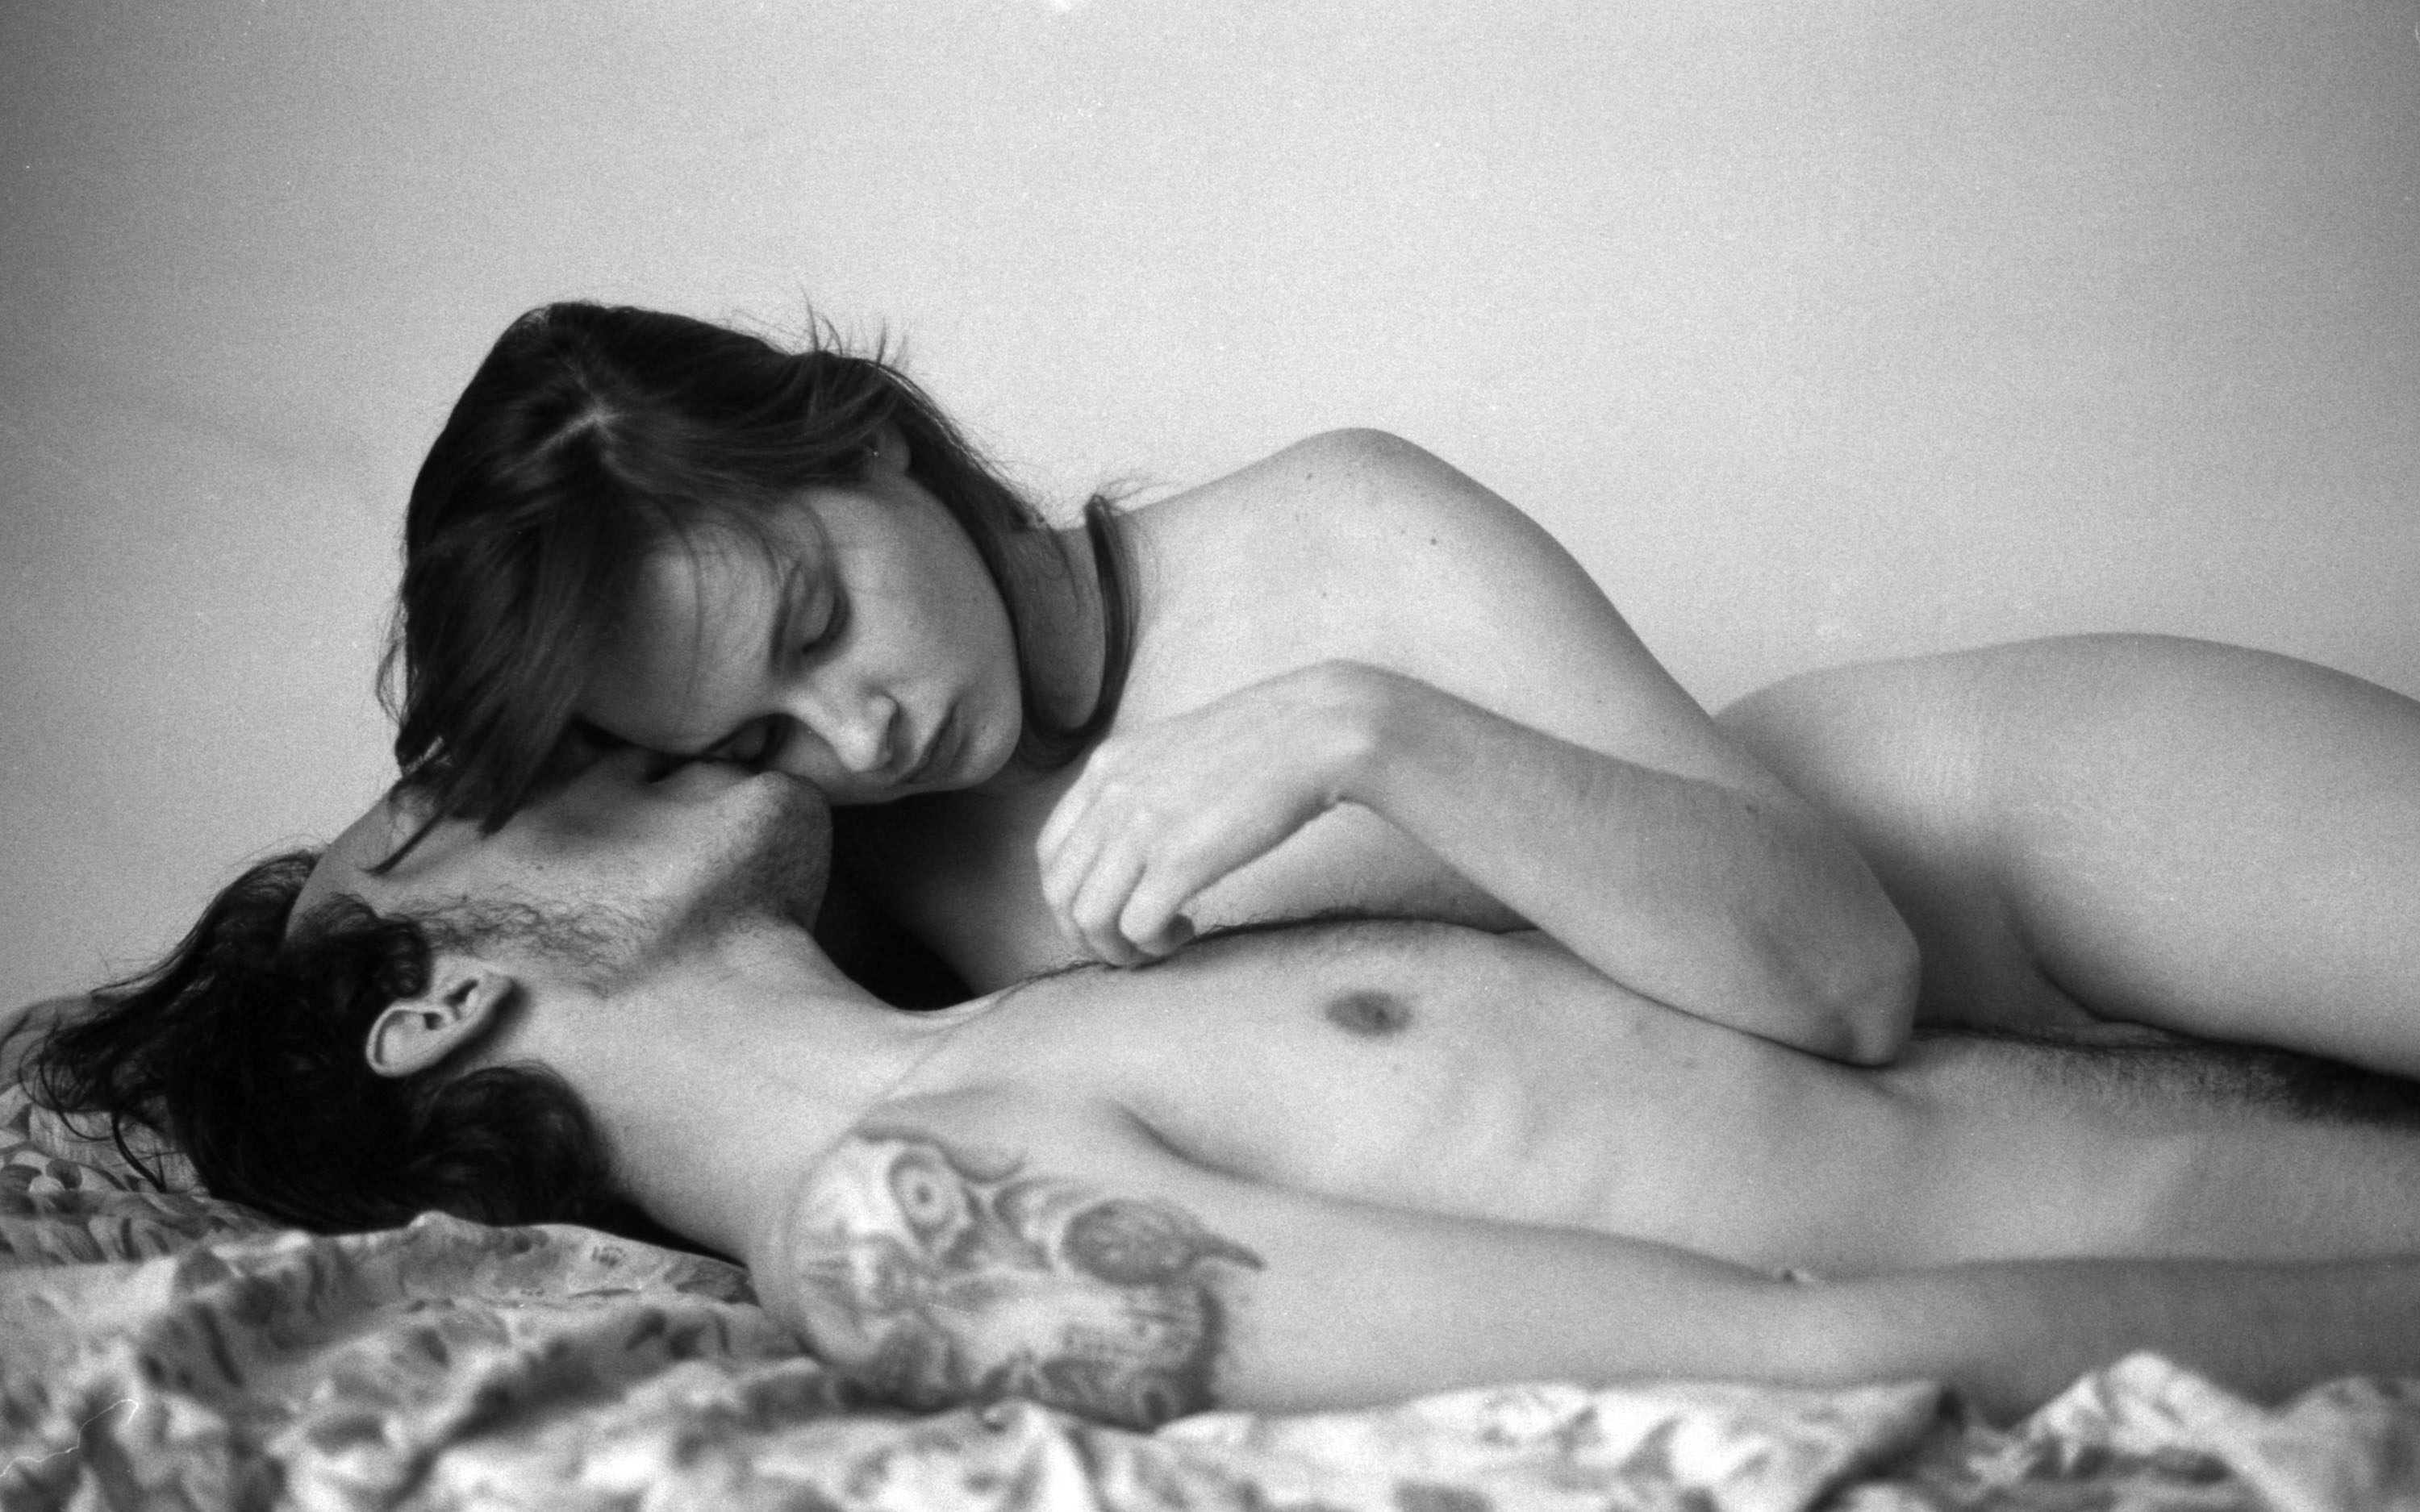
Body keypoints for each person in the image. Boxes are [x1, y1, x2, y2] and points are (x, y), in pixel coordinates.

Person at [26, 748, 2420, 1429]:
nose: (572, 740)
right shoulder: (902, 1220)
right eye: (461, 804)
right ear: (431, 1005)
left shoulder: (1016, 1011)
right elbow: (1799, 1347)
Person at [385, 302, 2420, 1079]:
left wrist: (1358, 730)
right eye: (755, 735)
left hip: (2045, 832)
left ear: (867, 439)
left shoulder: (1341, 528)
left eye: (820, 622)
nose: (857, 736)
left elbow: (1846, 972)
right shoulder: (868, 874)